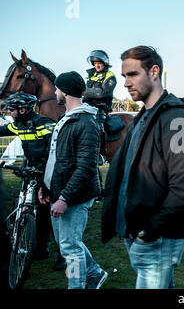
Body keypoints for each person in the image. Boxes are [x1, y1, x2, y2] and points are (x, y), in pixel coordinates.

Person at [101, 46, 184, 289]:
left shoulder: (179, 119)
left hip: (157, 237)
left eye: (133, 74)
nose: (125, 83)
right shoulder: (142, 117)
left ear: (154, 71)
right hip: (138, 232)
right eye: (124, 76)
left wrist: (149, 231)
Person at [38, 71, 107, 289]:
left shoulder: (86, 121)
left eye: (57, 88)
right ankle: (95, 273)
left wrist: (65, 198)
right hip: (57, 191)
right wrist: (45, 186)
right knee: (67, 243)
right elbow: (55, 159)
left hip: (73, 196)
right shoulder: (66, 118)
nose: (55, 92)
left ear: (65, 91)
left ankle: (76, 286)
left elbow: (86, 167)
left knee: (70, 248)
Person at [0, 93, 66, 269]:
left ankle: (63, 255)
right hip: (34, 173)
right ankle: (41, 249)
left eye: (12, 109)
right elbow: (2, 130)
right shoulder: (18, 125)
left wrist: (45, 177)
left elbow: (54, 152)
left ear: (23, 109)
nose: (9, 111)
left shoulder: (44, 124)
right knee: (40, 213)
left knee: (54, 215)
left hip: (50, 174)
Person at [83, 50, 117, 160]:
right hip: (86, 106)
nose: (96, 65)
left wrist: (83, 91)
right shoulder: (90, 75)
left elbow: (103, 93)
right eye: (94, 63)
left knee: (98, 124)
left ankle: (100, 154)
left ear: (104, 63)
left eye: (99, 63)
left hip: (101, 107)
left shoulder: (110, 76)